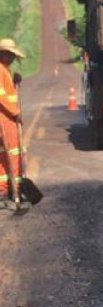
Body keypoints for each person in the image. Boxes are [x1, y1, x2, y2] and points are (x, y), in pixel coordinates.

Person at [0, 38, 25, 200]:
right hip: (5, 118)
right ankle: (14, 189)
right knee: (13, 152)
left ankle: (4, 189)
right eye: (10, 54)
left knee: (4, 154)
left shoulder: (5, 70)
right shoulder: (0, 70)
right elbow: (1, 97)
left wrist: (15, 83)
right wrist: (15, 112)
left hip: (7, 117)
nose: (13, 58)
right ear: (3, 53)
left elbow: (8, 92)